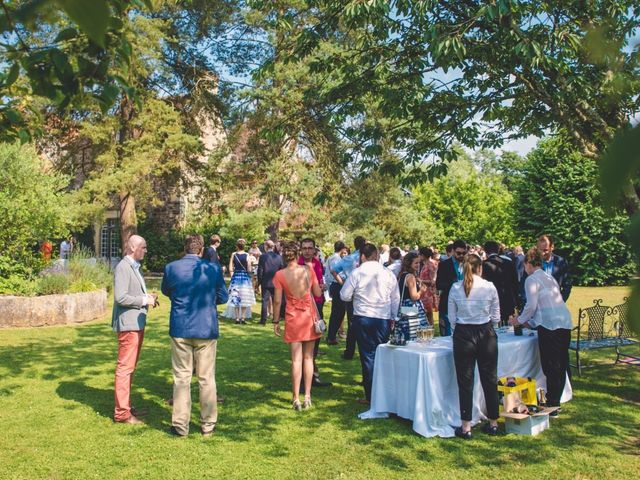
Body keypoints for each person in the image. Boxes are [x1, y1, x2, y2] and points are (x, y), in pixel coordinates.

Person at [161, 235, 229, 437]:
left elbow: (167, 290)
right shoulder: (213, 268)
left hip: (181, 325)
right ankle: (208, 424)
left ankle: (180, 425)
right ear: (200, 250)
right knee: (206, 377)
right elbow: (223, 296)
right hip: (205, 327)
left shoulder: (171, 268)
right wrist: (208, 300)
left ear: (185, 249)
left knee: (181, 377)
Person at [509, 247, 572, 415]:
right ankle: (555, 401)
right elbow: (546, 305)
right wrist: (530, 323)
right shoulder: (548, 277)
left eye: (525, 265)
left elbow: (531, 306)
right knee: (559, 364)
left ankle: (552, 404)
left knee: (551, 366)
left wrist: (519, 320)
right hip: (564, 322)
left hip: (550, 326)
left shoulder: (532, 279)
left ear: (528, 263)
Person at [448, 253, 501, 439]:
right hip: (485, 333)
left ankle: (466, 426)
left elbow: (452, 319)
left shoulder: (455, 288)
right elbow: (496, 317)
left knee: (465, 382)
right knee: (490, 379)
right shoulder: (489, 287)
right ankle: (493, 423)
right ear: (480, 268)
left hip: (463, 334)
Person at [340, 243, 400, 404]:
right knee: (383, 355)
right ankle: (385, 393)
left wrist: (356, 296)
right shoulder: (388, 273)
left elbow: (344, 295)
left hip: (364, 317)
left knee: (368, 357)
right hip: (383, 318)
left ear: (362, 256)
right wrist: (393, 317)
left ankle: (372, 395)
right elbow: (395, 298)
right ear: (377, 256)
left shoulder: (357, 273)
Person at [111, 235, 158, 424]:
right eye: (143, 247)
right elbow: (120, 297)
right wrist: (144, 300)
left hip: (136, 324)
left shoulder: (133, 267)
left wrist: (148, 297)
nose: (146, 251)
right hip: (129, 325)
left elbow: (132, 293)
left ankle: (126, 406)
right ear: (132, 248)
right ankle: (122, 413)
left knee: (129, 368)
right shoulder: (123, 267)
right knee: (125, 368)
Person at [273, 241, 323, 410]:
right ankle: (307, 396)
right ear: (298, 254)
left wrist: (275, 321)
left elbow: (278, 300)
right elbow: (317, 293)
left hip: (293, 318)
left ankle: (296, 398)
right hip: (309, 317)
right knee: (309, 358)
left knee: (296, 360)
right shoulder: (308, 270)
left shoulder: (280, 275)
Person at [299, 238, 331, 387]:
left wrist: (321, 286)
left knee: (314, 344)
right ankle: (304, 378)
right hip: (302, 309)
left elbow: (318, 282)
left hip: (317, 307)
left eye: (309, 248)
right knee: (302, 345)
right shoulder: (297, 264)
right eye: (304, 248)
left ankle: (312, 374)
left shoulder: (317, 263)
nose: (307, 251)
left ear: (314, 249)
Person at [330, 235, 367, 360]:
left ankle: (349, 351)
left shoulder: (348, 258)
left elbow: (333, 270)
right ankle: (362, 350)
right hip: (365, 293)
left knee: (352, 323)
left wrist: (342, 283)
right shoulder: (368, 259)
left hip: (352, 293)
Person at [482, 240, 520, 327]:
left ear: (485, 251)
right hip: (508, 300)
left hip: (491, 303)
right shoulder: (508, 263)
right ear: (498, 250)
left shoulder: (484, 265)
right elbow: (515, 283)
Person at [436, 239, 467, 336]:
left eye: (463, 253)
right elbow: (438, 284)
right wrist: (453, 284)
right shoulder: (444, 265)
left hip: (465, 304)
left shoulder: (468, 264)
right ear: (453, 251)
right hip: (448, 303)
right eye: (458, 253)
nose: (461, 255)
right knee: (447, 335)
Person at [223, 239, 256, 324]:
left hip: (236, 277)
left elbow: (230, 268)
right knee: (245, 297)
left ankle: (237, 318)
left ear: (237, 246)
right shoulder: (247, 255)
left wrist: (232, 275)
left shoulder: (234, 254)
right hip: (245, 278)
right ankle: (243, 318)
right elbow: (249, 269)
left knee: (235, 296)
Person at [535, 234, 572, 301]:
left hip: (556, 304)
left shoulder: (561, 262)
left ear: (552, 247)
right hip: (536, 305)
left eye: (545, 250)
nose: (542, 253)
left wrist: (561, 301)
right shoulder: (532, 262)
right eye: (540, 250)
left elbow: (567, 285)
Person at [398, 251, 429, 326]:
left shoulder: (402, 275)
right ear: (409, 263)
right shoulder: (410, 277)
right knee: (415, 332)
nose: (418, 265)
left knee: (406, 330)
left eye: (419, 263)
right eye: (416, 263)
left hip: (403, 307)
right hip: (411, 307)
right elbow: (414, 296)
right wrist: (421, 291)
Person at [325, 241, 347, 345]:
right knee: (338, 313)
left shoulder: (331, 258)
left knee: (338, 312)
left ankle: (331, 335)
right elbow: (336, 273)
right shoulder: (336, 259)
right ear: (342, 249)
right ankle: (331, 336)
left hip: (334, 285)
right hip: (337, 285)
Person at [257, 240, 283, 325]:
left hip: (266, 282)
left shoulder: (263, 257)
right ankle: (276, 319)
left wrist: (259, 281)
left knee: (265, 301)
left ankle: (263, 320)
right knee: (276, 301)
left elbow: (260, 270)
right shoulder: (279, 257)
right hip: (276, 282)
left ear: (266, 246)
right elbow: (281, 270)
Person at [418, 247, 438, 326]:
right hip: (424, 291)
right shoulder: (425, 264)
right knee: (426, 314)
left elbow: (433, 281)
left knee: (428, 314)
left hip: (428, 293)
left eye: (420, 255)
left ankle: (430, 332)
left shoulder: (431, 264)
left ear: (423, 255)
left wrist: (420, 281)